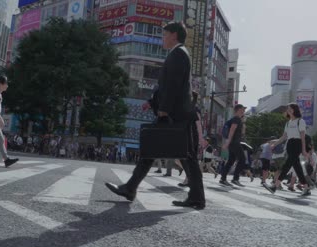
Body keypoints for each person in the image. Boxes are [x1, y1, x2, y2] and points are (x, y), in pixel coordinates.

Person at [105, 22, 205, 209]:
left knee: (179, 154)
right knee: (177, 154)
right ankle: (195, 197)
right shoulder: (178, 54)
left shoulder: (178, 54)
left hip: (175, 114)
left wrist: (163, 109)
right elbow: (168, 86)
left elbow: (173, 86)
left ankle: (131, 188)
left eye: (164, 35)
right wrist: (152, 103)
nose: (162, 38)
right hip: (178, 113)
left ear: (174, 35)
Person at [263, 103, 311, 196]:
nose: (288, 110)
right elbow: (284, 136)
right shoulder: (288, 123)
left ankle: (275, 186)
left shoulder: (300, 121)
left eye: (290, 109)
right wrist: (274, 144)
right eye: (287, 109)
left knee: (287, 165)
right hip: (290, 144)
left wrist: (304, 150)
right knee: (297, 167)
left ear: (294, 110)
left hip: (297, 144)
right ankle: (306, 187)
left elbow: (303, 137)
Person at [219, 104, 247, 187]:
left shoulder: (238, 119)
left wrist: (243, 122)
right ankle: (235, 179)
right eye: (243, 109)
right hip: (234, 143)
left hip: (233, 143)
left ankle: (223, 179)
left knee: (231, 161)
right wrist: (227, 142)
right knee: (242, 159)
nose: (244, 111)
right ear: (238, 110)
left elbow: (242, 133)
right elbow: (232, 130)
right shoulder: (236, 119)